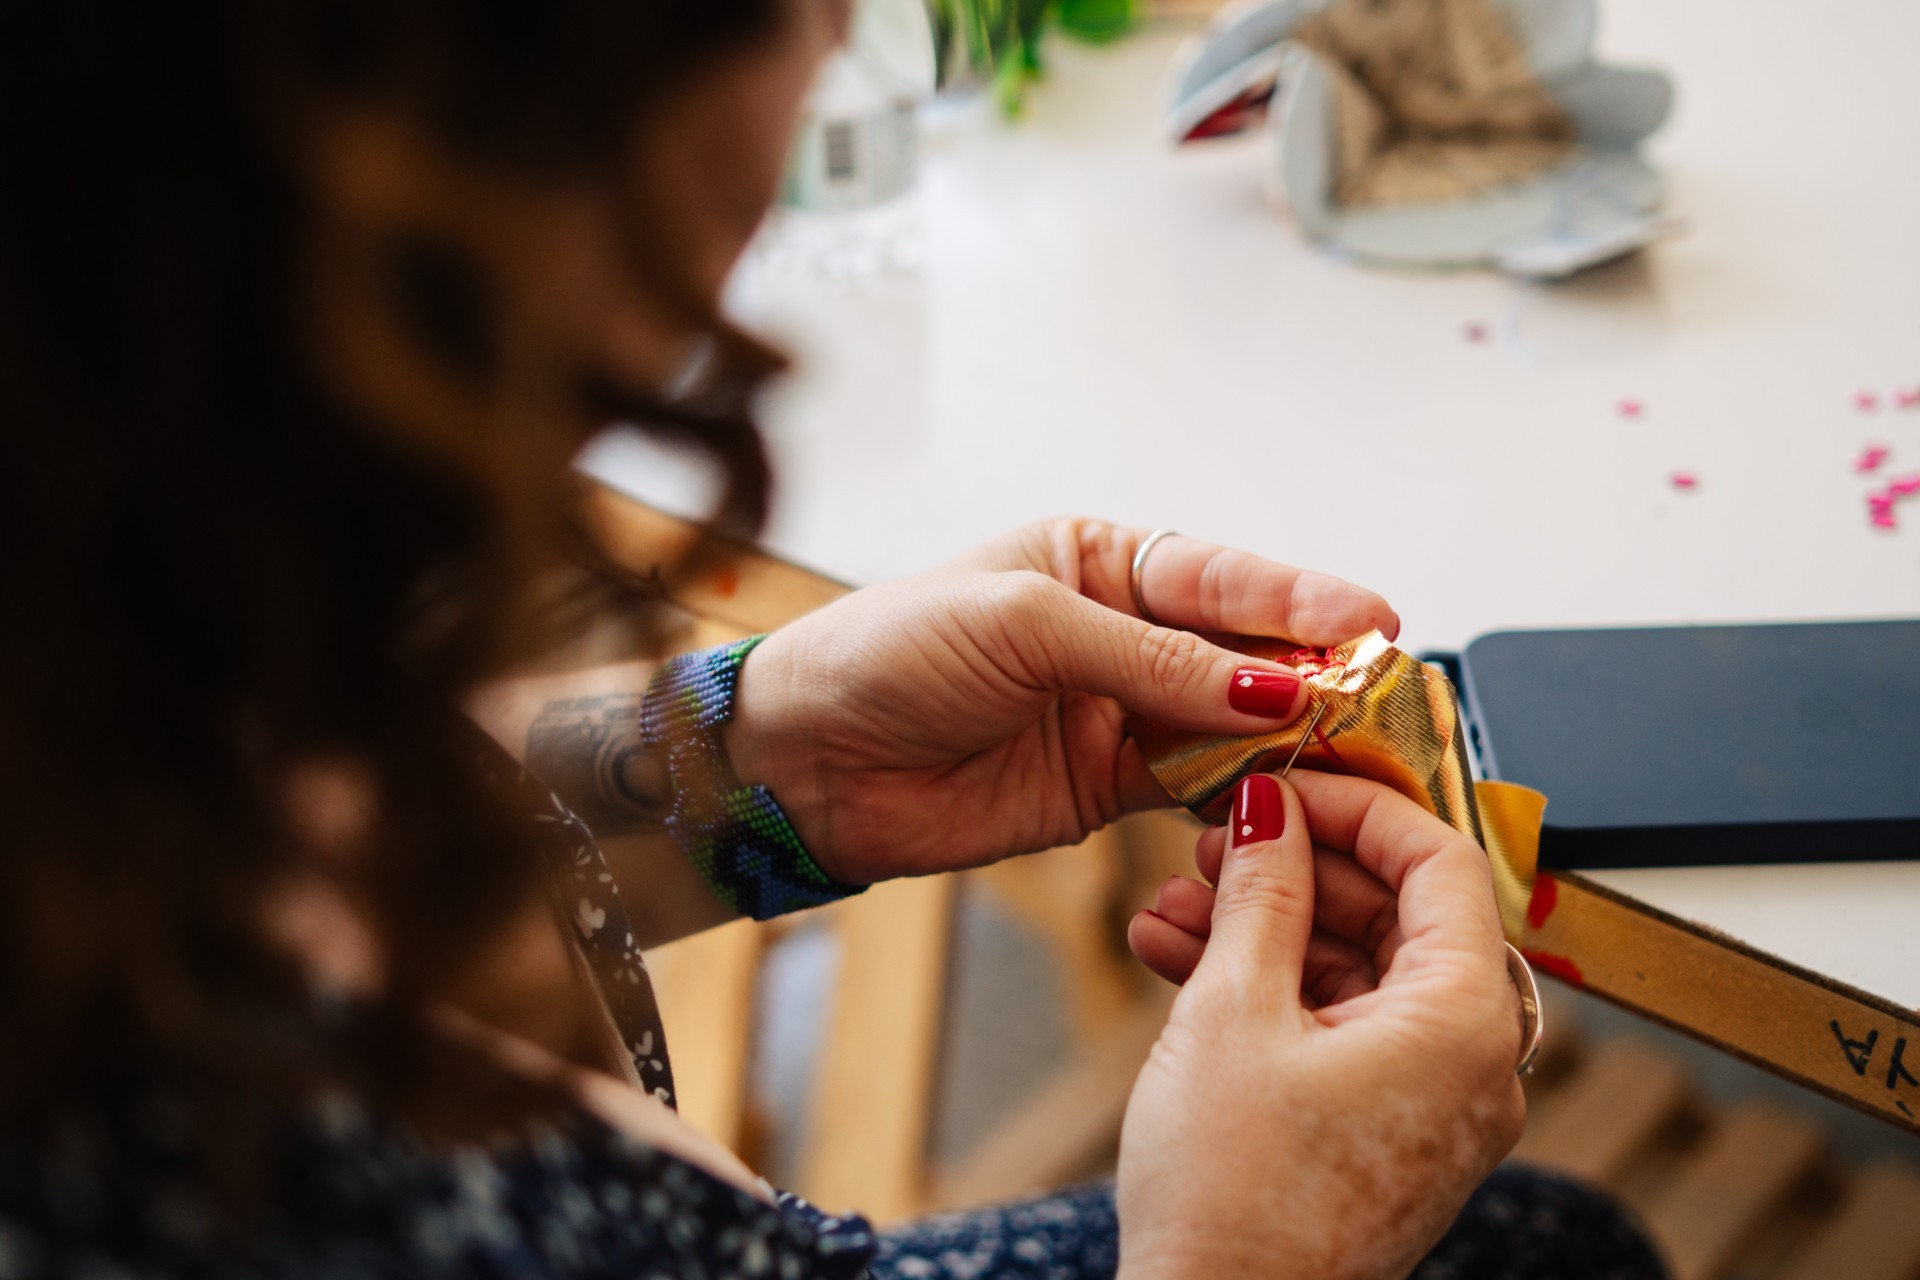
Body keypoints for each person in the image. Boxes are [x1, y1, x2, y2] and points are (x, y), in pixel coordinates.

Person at [0, 1, 1667, 1276]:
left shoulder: (119, 587)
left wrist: (737, 766)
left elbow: (255, 820)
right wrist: (1237, 1259)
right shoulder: (194, 1174)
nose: (836, 41)